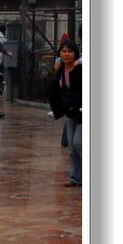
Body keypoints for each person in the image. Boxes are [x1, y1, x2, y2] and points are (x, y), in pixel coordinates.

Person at [49, 38, 82, 187]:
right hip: (70, 111)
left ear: (76, 53)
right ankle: (76, 178)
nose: (67, 54)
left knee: (79, 142)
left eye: (70, 51)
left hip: (83, 110)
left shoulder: (80, 69)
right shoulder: (60, 69)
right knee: (71, 147)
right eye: (64, 51)